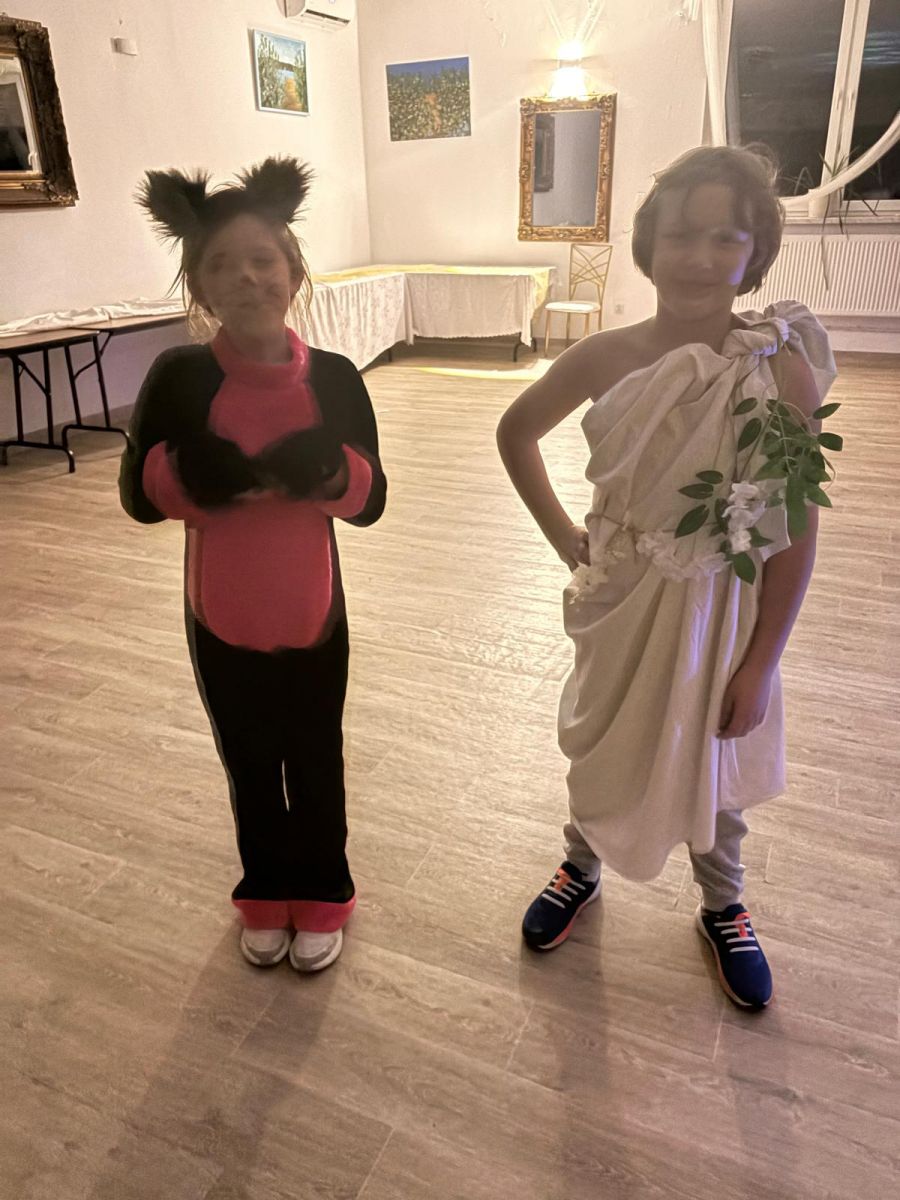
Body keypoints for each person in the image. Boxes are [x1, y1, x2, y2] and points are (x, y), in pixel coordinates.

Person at [497, 145, 838, 1010]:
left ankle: (724, 903)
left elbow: (795, 527)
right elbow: (516, 432)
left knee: (713, 747)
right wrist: (566, 538)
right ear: (648, 245)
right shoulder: (605, 356)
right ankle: (581, 864)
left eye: (726, 238)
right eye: (681, 235)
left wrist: (763, 662)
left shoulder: (779, 368)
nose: (699, 257)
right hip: (622, 595)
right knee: (606, 735)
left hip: (723, 604)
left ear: (755, 253)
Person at [120, 157, 386, 972]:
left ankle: (326, 890)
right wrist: (185, 472)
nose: (246, 277)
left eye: (263, 259)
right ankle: (265, 890)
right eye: (222, 264)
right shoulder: (178, 377)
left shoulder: (335, 378)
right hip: (221, 616)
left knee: (315, 755)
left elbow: (372, 500)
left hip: (314, 613)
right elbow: (137, 497)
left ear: (294, 273)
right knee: (248, 759)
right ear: (198, 286)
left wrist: (331, 471)